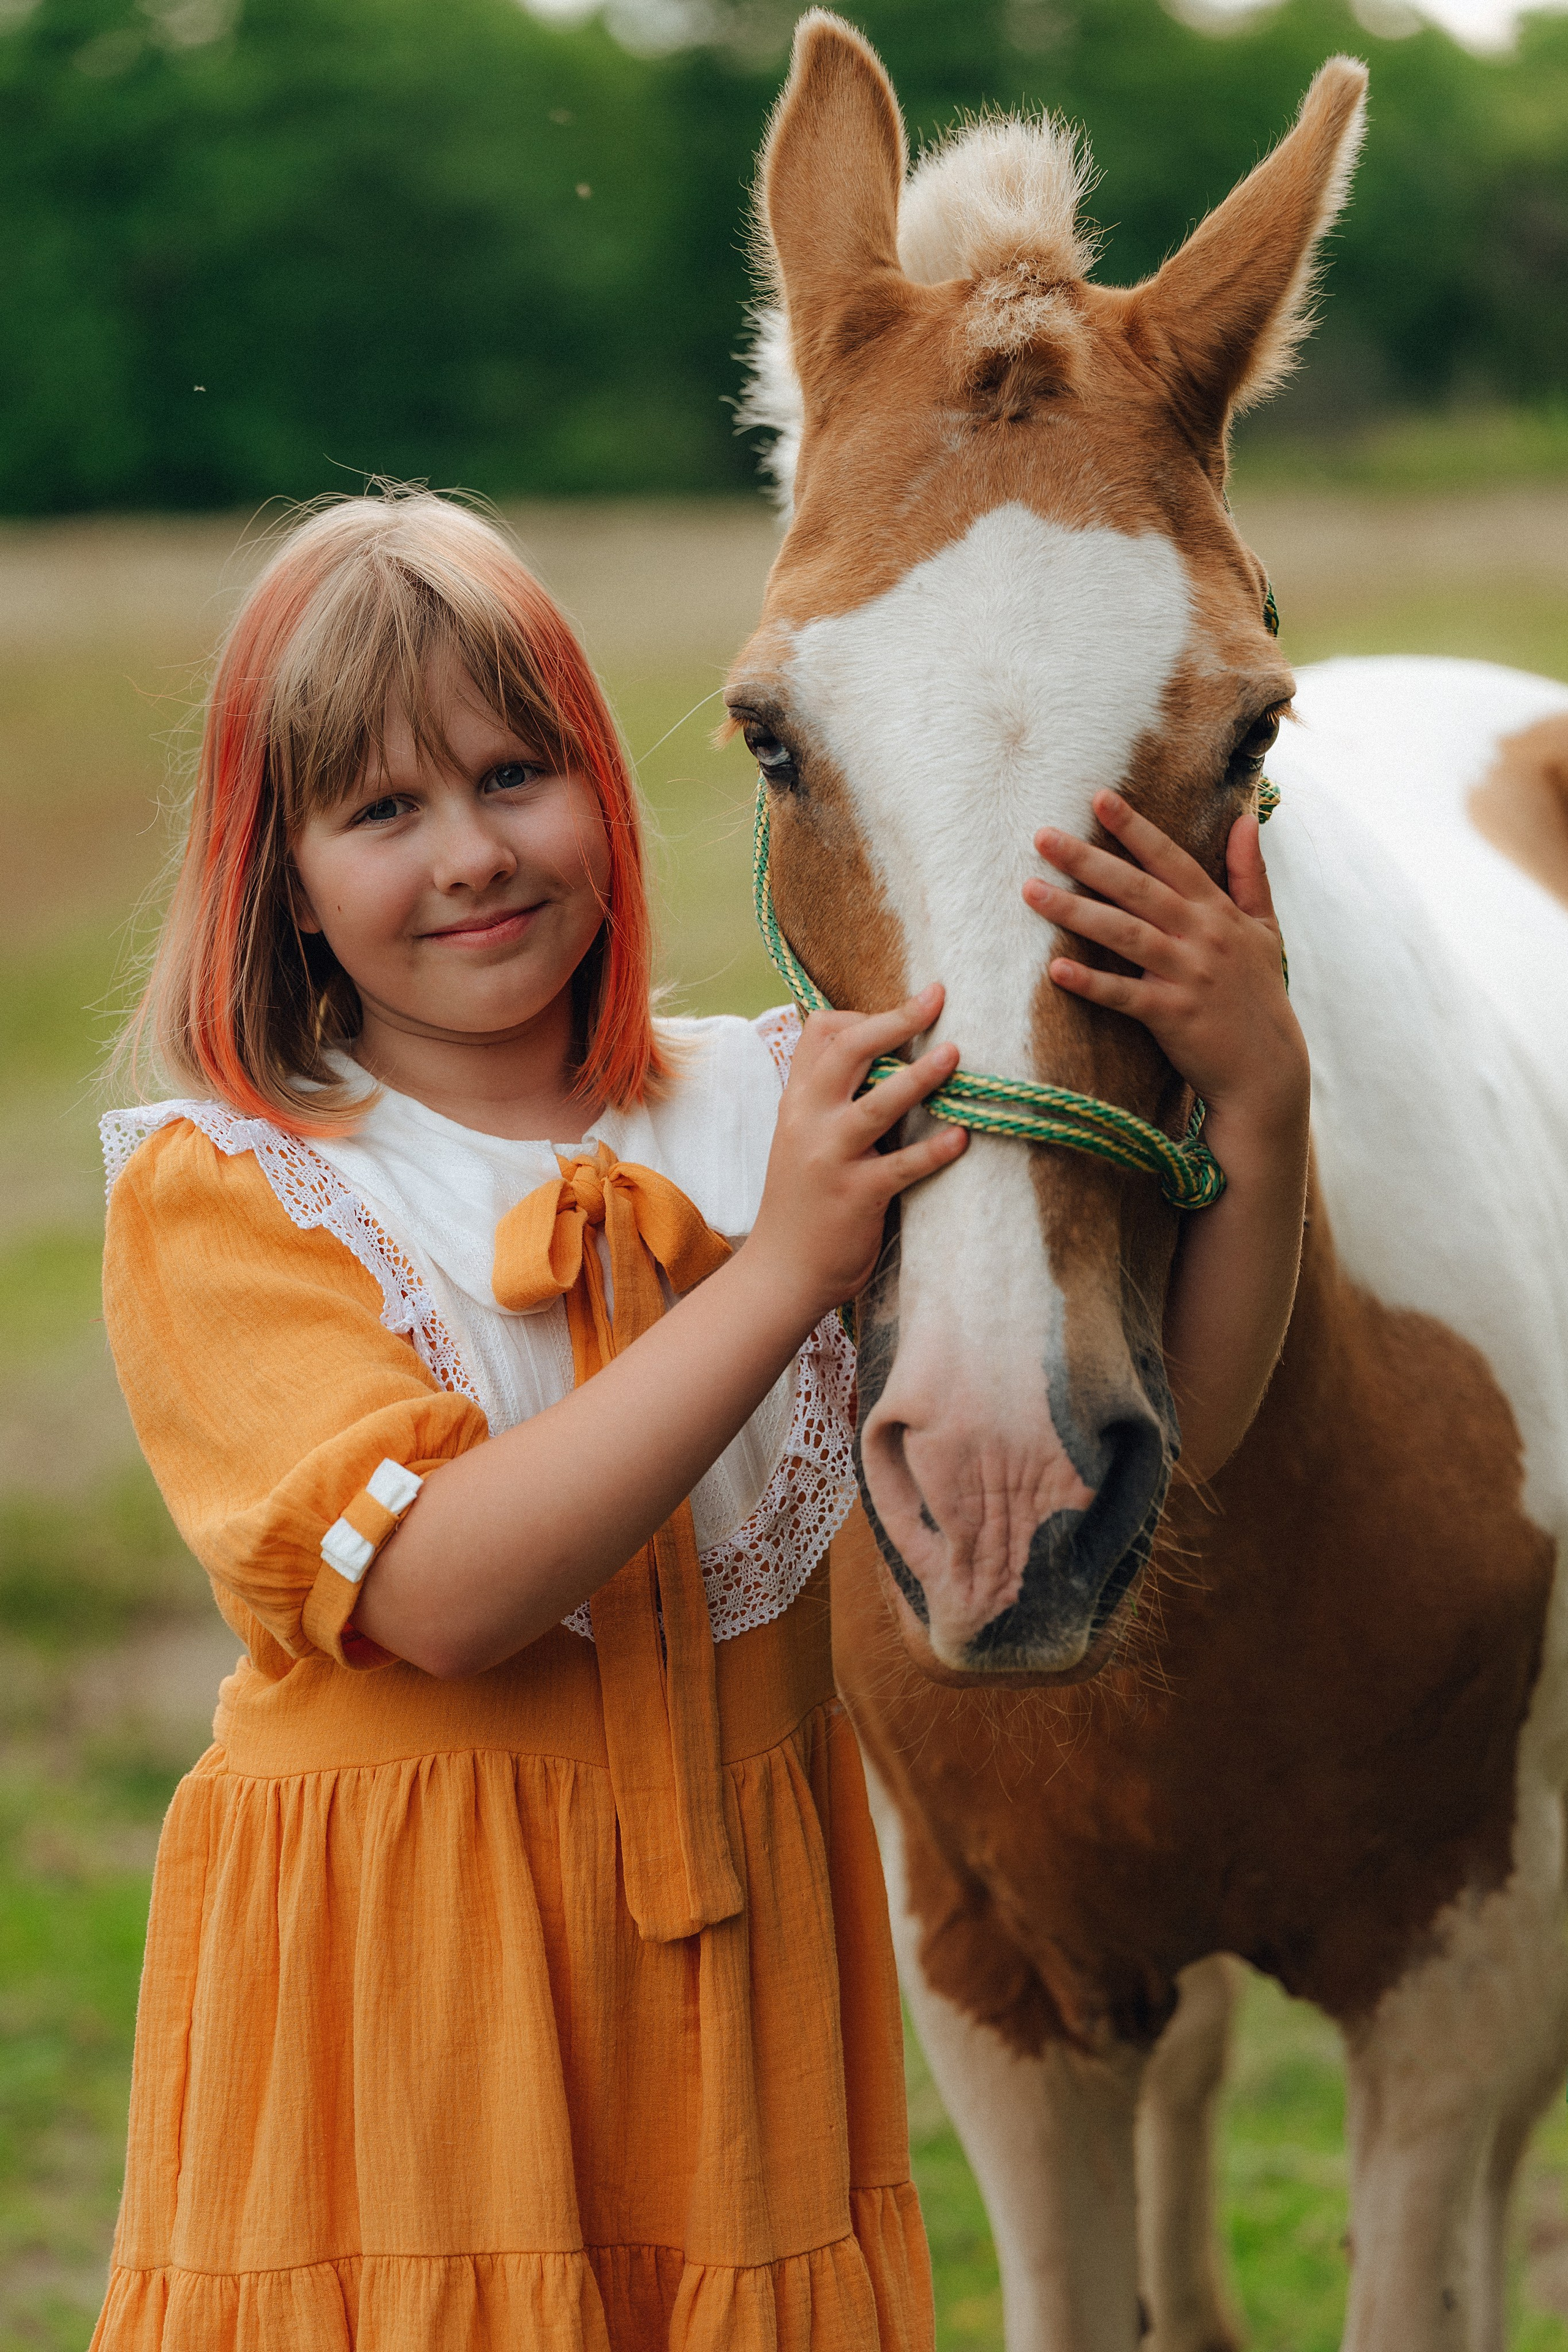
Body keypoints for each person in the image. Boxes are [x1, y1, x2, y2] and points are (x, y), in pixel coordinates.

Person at [93, 489, 1306, 2351]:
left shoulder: (784, 1109)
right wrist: (774, 1280)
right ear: (281, 875)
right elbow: (440, 1598)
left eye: (517, 773)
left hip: (730, 2001)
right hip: (407, 2009)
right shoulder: (239, 1195)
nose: (474, 854)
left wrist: (1261, 1103)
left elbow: (1174, 1440)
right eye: (382, 811)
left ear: (608, 784)